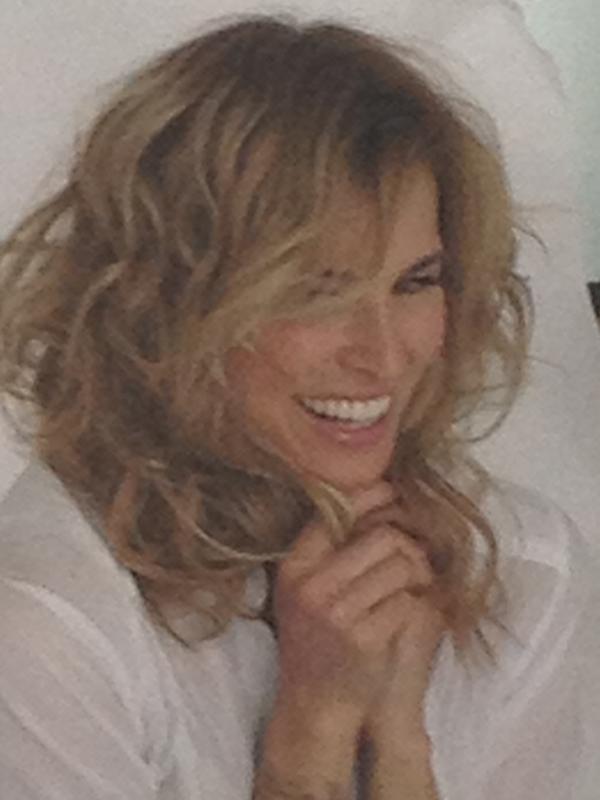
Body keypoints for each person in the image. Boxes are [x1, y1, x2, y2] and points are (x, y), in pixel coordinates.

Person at [0, 13, 594, 800]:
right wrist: (310, 740)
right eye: (318, 291)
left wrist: (401, 749)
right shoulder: (46, 625)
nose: (383, 355)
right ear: (164, 301)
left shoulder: (525, 571)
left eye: (415, 282)